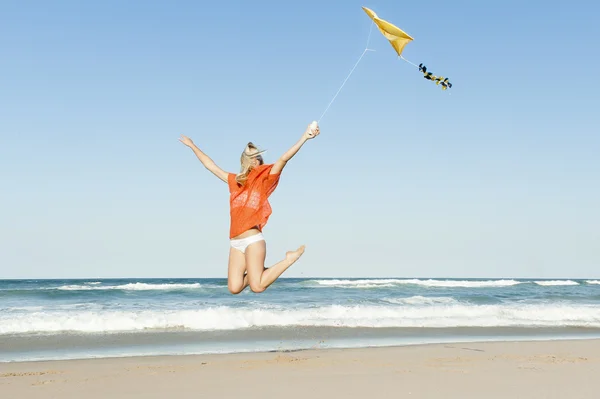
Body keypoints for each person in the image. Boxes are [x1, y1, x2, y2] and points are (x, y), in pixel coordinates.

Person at [179, 122, 320, 294]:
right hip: (235, 242)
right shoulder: (235, 181)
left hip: (253, 240)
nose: (256, 159)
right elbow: (211, 166)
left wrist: (304, 137)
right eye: (252, 156)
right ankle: (258, 270)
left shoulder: (265, 179)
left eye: (258, 156)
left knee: (257, 286)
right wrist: (192, 145)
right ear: (244, 160)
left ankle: (289, 259)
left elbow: (284, 159)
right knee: (234, 287)